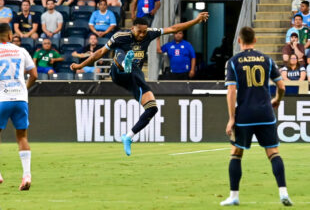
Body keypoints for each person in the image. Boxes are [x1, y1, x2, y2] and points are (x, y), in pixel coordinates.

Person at [70, 12, 209, 156]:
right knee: (120, 53)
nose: (142, 35)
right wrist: (81, 66)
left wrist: (196, 20)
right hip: (117, 73)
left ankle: (128, 136)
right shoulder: (120, 37)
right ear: (132, 29)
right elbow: (100, 52)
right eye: (139, 31)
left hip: (134, 75)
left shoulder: (149, 33)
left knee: (152, 108)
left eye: (144, 31)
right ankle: (125, 64)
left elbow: (173, 29)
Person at [221, 26, 292, 207]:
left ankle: (234, 196)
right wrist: (277, 99)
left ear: (239, 41)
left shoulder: (234, 61)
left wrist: (231, 118)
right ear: (256, 39)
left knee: (236, 153)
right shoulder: (266, 60)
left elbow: (231, 92)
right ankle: (283, 192)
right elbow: (282, 86)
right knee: (273, 152)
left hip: (244, 114)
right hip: (265, 113)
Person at [0, 23, 38, 190]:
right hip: (21, 99)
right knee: (22, 137)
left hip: (2, 98)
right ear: (10, 36)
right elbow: (34, 74)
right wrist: (24, 88)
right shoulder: (21, 51)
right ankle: (27, 175)